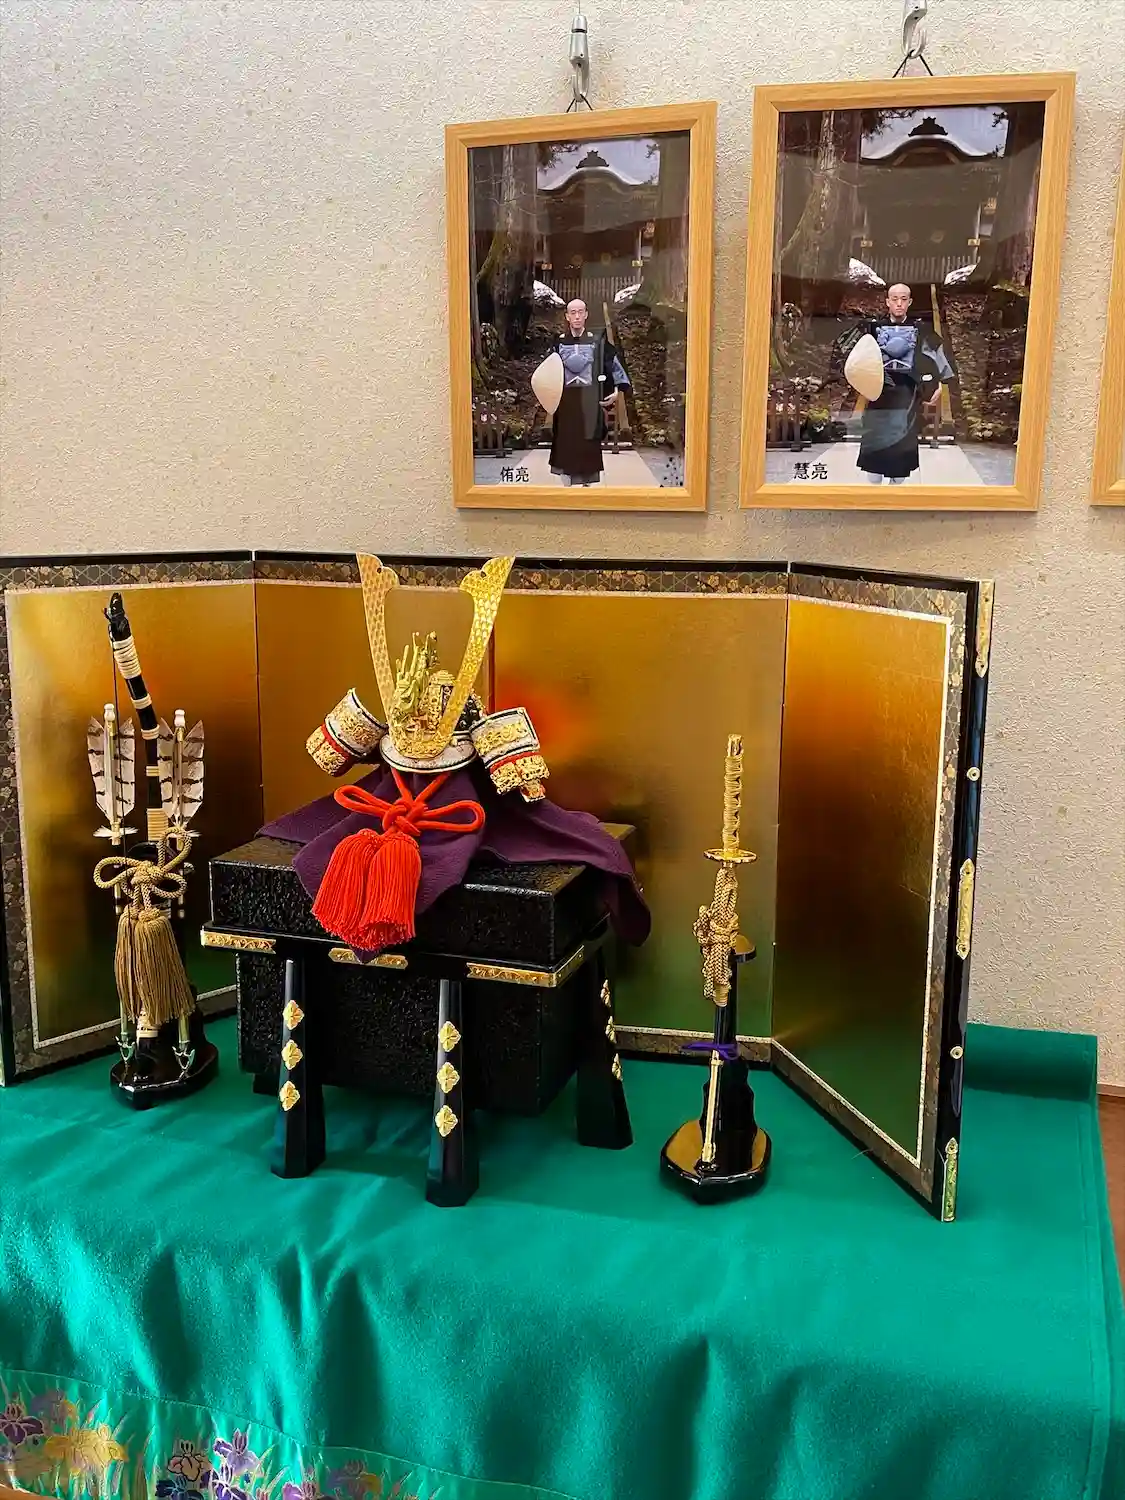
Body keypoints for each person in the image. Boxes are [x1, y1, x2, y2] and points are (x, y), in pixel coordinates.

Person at [851, 284, 955, 484]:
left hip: (908, 393)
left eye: (904, 299)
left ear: (910, 302)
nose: (899, 303)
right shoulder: (872, 329)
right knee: (874, 450)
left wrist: (939, 385)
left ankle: (895, 489)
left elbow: (938, 357)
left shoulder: (922, 330)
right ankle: (874, 491)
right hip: (879, 393)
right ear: (887, 302)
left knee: (901, 450)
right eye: (895, 299)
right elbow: (857, 360)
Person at [547, 299, 631, 486]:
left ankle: (588, 481)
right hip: (566, 402)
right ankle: (567, 480)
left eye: (580, 312)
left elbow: (613, 365)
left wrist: (617, 389)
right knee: (566, 440)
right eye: (573, 313)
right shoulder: (558, 343)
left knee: (589, 441)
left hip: (590, 400)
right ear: (567, 316)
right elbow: (548, 371)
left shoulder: (597, 341)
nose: (577, 316)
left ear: (586, 315)